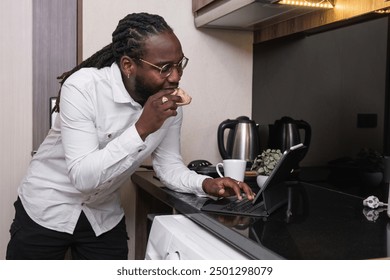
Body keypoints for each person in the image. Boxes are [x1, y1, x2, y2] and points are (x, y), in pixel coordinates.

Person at [6, 12, 254, 260]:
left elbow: (168, 167)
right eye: (165, 68)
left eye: (180, 64)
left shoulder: (169, 108)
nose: (176, 76)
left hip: (102, 216)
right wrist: (142, 128)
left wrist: (204, 184)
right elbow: (82, 177)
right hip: (46, 208)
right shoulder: (82, 87)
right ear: (128, 65)